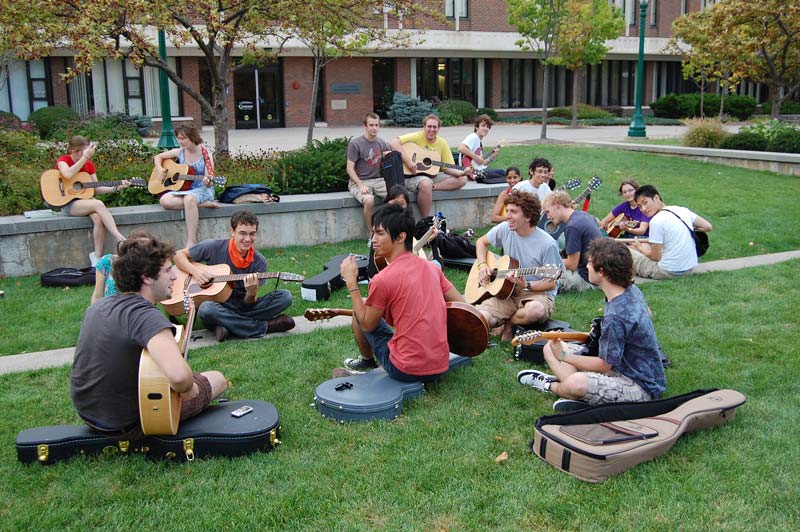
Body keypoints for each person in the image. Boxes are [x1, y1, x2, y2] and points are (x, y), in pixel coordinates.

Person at [70, 233, 227, 441]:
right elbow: (179, 378)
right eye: (168, 271)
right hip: (131, 421)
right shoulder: (145, 315)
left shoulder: (98, 306)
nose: (174, 276)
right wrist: (189, 389)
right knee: (216, 378)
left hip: (89, 414)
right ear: (146, 276)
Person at [517, 238, 666, 410]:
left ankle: (552, 386)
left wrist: (564, 357)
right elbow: (647, 313)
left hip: (640, 386)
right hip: (621, 367)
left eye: (589, 263)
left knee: (575, 381)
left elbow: (604, 364)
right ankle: (581, 396)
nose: (586, 266)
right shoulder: (630, 290)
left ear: (601, 271)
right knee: (550, 348)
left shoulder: (617, 315)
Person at [337, 202, 465, 380]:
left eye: (380, 233)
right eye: (373, 233)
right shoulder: (432, 268)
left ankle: (368, 362)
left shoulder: (382, 279)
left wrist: (351, 282)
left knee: (361, 309)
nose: (373, 239)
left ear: (400, 237)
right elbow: (463, 305)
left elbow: (367, 325)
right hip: (440, 364)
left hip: (406, 369)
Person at [174, 210, 295, 342]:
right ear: (232, 231)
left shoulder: (259, 262)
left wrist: (251, 293)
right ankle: (265, 326)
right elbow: (178, 255)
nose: (248, 239)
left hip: (243, 305)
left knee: (285, 296)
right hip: (217, 304)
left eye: (252, 234)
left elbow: (249, 304)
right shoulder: (213, 247)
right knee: (206, 309)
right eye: (242, 233)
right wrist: (196, 272)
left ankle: (227, 325)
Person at [475, 190, 562, 342]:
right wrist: (482, 266)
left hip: (537, 294)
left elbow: (551, 283)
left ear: (528, 216)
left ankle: (509, 324)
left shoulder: (548, 244)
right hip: (507, 291)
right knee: (479, 319)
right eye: (507, 210)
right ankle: (499, 319)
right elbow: (480, 242)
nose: (507, 216)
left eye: (513, 212)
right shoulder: (505, 228)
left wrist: (526, 284)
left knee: (535, 311)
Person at [54, 136, 128, 264]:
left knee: (98, 218)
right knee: (98, 204)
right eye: (81, 151)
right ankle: (119, 237)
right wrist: (85, 158)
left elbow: (96, 188)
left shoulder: (88, 164)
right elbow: (67, 174)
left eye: (85, 151)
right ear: (72, 150)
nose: (83, 154)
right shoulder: (63, 160)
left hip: (86, 201)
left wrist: (115, 188)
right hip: (68, 203)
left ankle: (97, 259)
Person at [389, 114, 472, 217]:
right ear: (424, 127)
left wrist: (462, 172)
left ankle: (432, 187)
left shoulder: (442, 143)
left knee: (462, 179)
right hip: (411, 175)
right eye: (429, 126)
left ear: (438, 128)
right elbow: (393, 143)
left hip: (430, 175)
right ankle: (426, 219)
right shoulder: (417, 136)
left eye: (435, 127)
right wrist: (408, 162)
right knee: (425, 183)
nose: (432, 129)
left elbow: (447, 168)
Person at [153, 124, 219, 248]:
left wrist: (208, 181)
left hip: (202, 190)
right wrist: (160, 168)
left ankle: (191, 241)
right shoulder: (180, 152)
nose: (180, 141)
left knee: (189, 199)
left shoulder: (206, 155)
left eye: (183, 138)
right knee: (164, 200)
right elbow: (158, 157)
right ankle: (201, 204)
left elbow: (209, 179)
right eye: (179, 138)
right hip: (186, 190)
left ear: (192, 137)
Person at [627, 185, 713, 279]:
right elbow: (707, 227)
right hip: (689, 268)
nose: (643, 209)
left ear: (656, 198)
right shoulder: (681, 210)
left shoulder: (656, 221)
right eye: (639, 206)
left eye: (645, 203)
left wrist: (640, 248)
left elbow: (655, 258)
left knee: (626, 250)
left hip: (667, 272)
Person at [542, 190, 603, 292]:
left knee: (542, 276)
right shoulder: (583, 215)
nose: (548, 217)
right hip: (598, 273)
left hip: (587, 278)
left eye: (548, 212)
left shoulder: (573, 226)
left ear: (557, 204)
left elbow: (572, 264)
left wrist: (547, 261)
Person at [347, 112, 391, 232]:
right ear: (365, 126)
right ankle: (372, 234)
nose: (374, 128)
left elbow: (387, 166)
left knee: (398, 198)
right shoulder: (355, 144)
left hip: (378, 180)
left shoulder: (382, 143)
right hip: (359, 181)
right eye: (371, 125)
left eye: (376, 125)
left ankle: (390, 229)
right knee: (369, 200)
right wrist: (360, 184)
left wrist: (389, 158)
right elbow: (349, 168)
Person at [90, 229, 150, 304]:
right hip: (110, 309)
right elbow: (97, 296)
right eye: (137, 246)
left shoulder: (149, 267)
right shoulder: (108, 261)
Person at [458, 114, 504, 181]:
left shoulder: (479, 141)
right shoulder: (473, 137)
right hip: (471, 172)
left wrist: (493, 156)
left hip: (477, 172)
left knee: (502, 173)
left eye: (488, 127)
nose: (486, 128)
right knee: (502, 172)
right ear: (477, 127)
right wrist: (476, 157)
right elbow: (461, 148)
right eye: (483, 126)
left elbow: (481, 163)